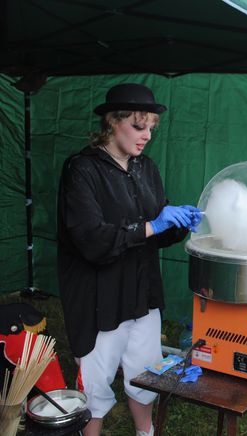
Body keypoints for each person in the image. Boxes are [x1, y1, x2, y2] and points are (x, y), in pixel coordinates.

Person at [57, 83, 202, 436]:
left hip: (141, 293)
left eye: (151, 127)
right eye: (139, 126)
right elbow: (94, 240)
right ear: (112, 123)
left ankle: (145, 432)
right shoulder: (82, 170)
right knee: (95, 384)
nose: (147, 135)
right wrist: (154, 224)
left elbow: (155, 228)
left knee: (145, 372)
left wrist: (178, 224)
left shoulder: (145, 167)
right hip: (99, 299)